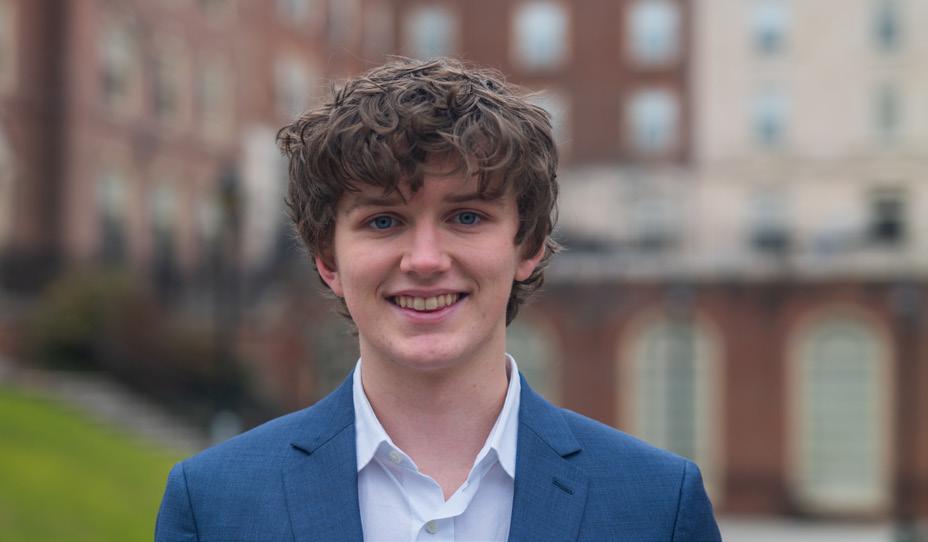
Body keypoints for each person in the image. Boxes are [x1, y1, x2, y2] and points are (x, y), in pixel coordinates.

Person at [155, 57, 721, 542]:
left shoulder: (657, 507)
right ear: (328, 260)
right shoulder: (214, 504)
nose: (424, 260)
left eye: (466, 216)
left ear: (527, 245)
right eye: (383, 221)